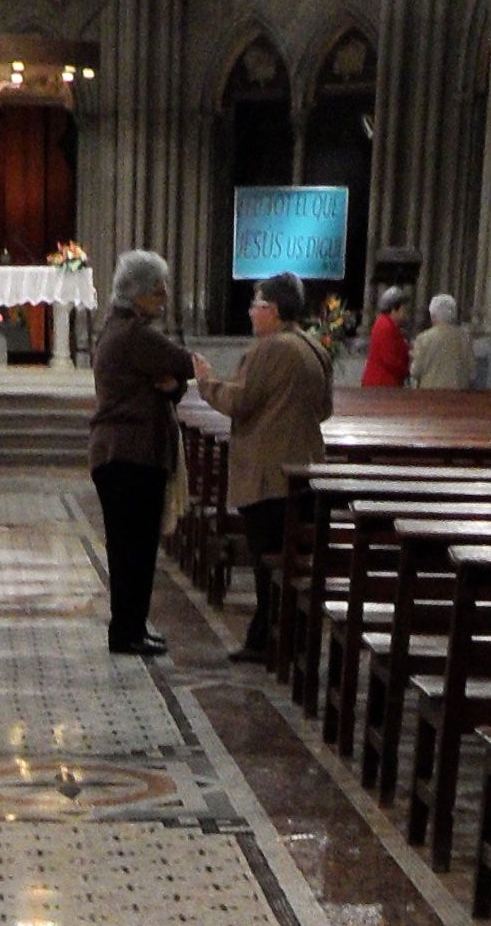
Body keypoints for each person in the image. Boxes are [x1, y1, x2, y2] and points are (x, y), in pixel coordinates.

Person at [194, 273, 331, 663]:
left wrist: (207, 384)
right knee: (289, 562)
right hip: (304, 470)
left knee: (267, 562)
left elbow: (241, 402)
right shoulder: (312, 346)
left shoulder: (270, 350)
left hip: (268, 475)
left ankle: (268, 640)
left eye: (255, 305)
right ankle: (287, 637)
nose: (251, 313)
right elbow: (325, 409)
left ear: (271, 309)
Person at [88, 246, 194, 655]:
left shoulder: (122, 328)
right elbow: (184, 363)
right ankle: (126, 631)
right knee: (131, 548)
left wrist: (174, 386)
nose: (165, 297)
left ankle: (133, 624)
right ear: (138, 293)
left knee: (137, 547)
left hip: (127, 455)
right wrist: (180, 379)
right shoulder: (135, 334)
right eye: (158, 290)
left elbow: (170, 380)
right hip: (128, 455)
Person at [409, 292, 476, 390]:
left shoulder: (423, 338)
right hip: (458, 396)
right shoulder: (465, 338)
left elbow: (415, 371)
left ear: (433, 316)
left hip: (430, 395)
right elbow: (472, 373)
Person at [361, 286, 413, 388]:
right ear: (394, 309)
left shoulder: (390, 325)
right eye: (403, 308)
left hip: (387, 382)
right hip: (381, 383)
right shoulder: (385, 325)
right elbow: (389, 359)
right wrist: (407, 371)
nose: (406, 312)